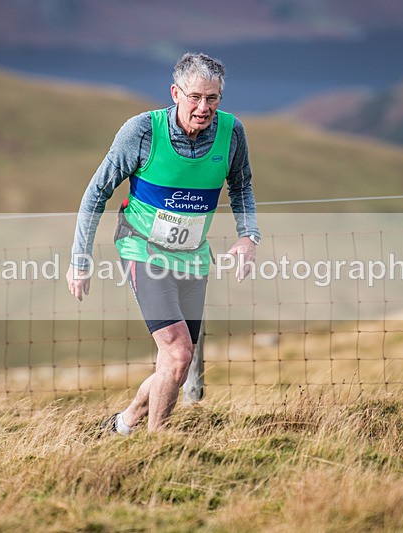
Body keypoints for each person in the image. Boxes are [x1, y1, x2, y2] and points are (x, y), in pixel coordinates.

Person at [66, 52, 260, 434]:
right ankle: (158, 445)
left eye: (213, 98)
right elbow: (95, 194)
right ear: (175, 92)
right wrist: (79, 258)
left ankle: (122, 425)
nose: (204, 107)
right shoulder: (141, 131)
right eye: (195, 97)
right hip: (143, 249)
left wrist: (248, 235)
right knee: (178, 352)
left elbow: (242, 186)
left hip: (193, 257)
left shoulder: (232, 132)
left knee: (175, 364)